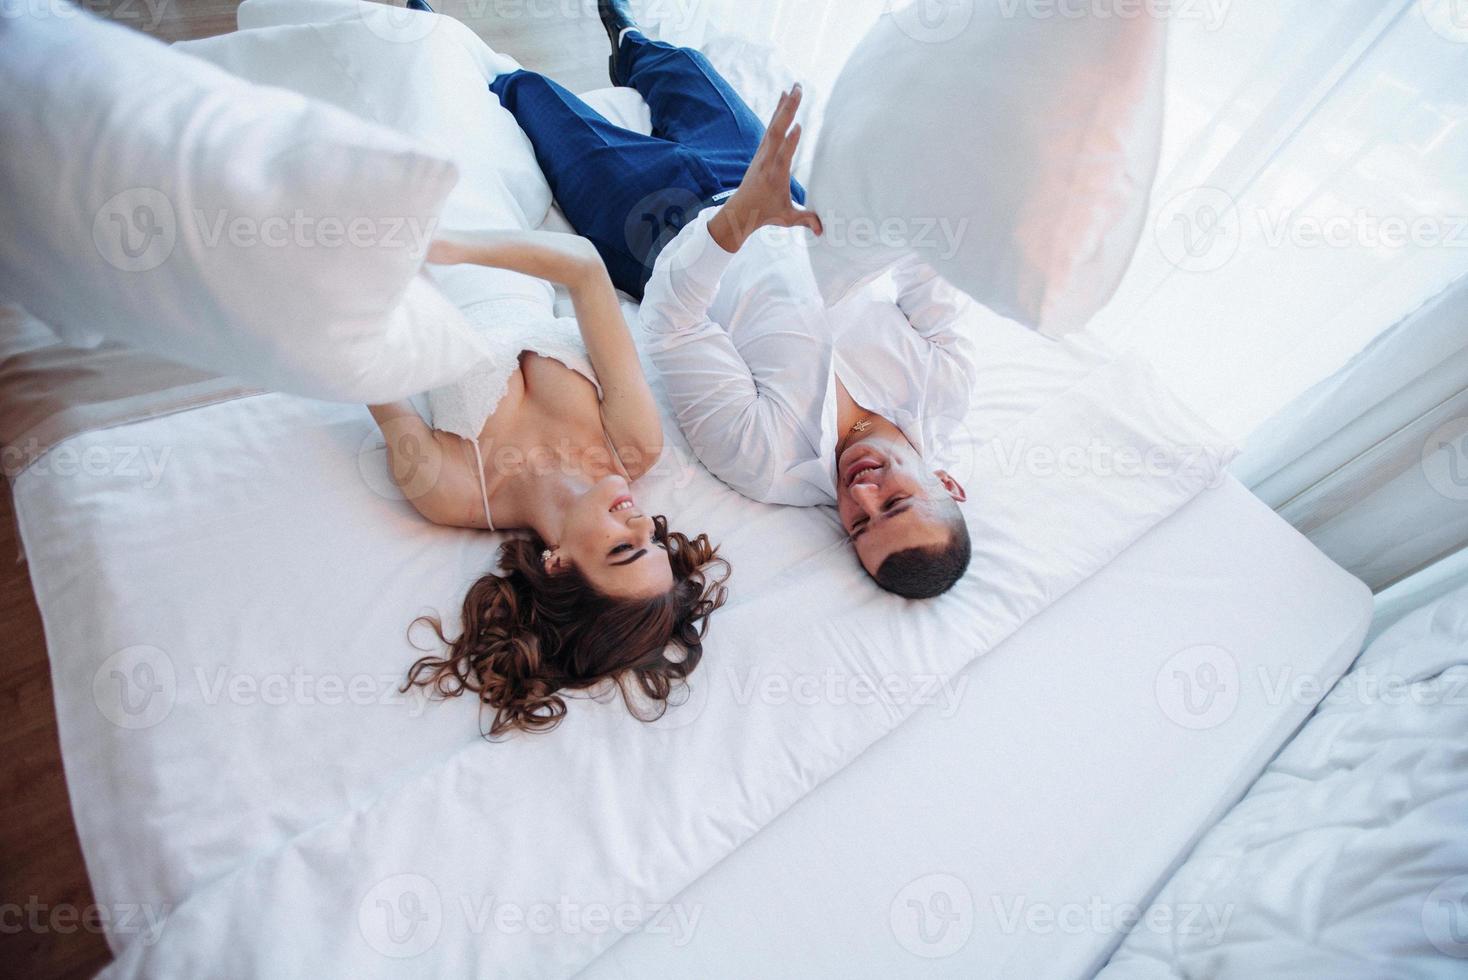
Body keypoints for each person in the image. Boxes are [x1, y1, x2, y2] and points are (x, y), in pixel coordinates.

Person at [487, 0, 983, 599]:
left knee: (529, 96)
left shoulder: (769, 462)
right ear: (948, 483)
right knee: (681, 70)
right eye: (896, 502)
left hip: (655, 225)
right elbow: (920, 248)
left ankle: (432, 33)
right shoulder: (945, 381)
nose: (863, 493)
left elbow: (672, 326)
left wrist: (737, 223)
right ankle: (631, 45)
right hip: (778, 192)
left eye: (858, 524)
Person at [368, 229, 728, 737]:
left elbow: (363, 360)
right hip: (493, 228)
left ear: (557, 566)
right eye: (652, 543)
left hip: (403, 266)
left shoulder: (454, 493)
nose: (642, 521)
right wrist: (448, 243)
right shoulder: (633, 445)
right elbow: (583, 267)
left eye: (624, 548)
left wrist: (388, 255)